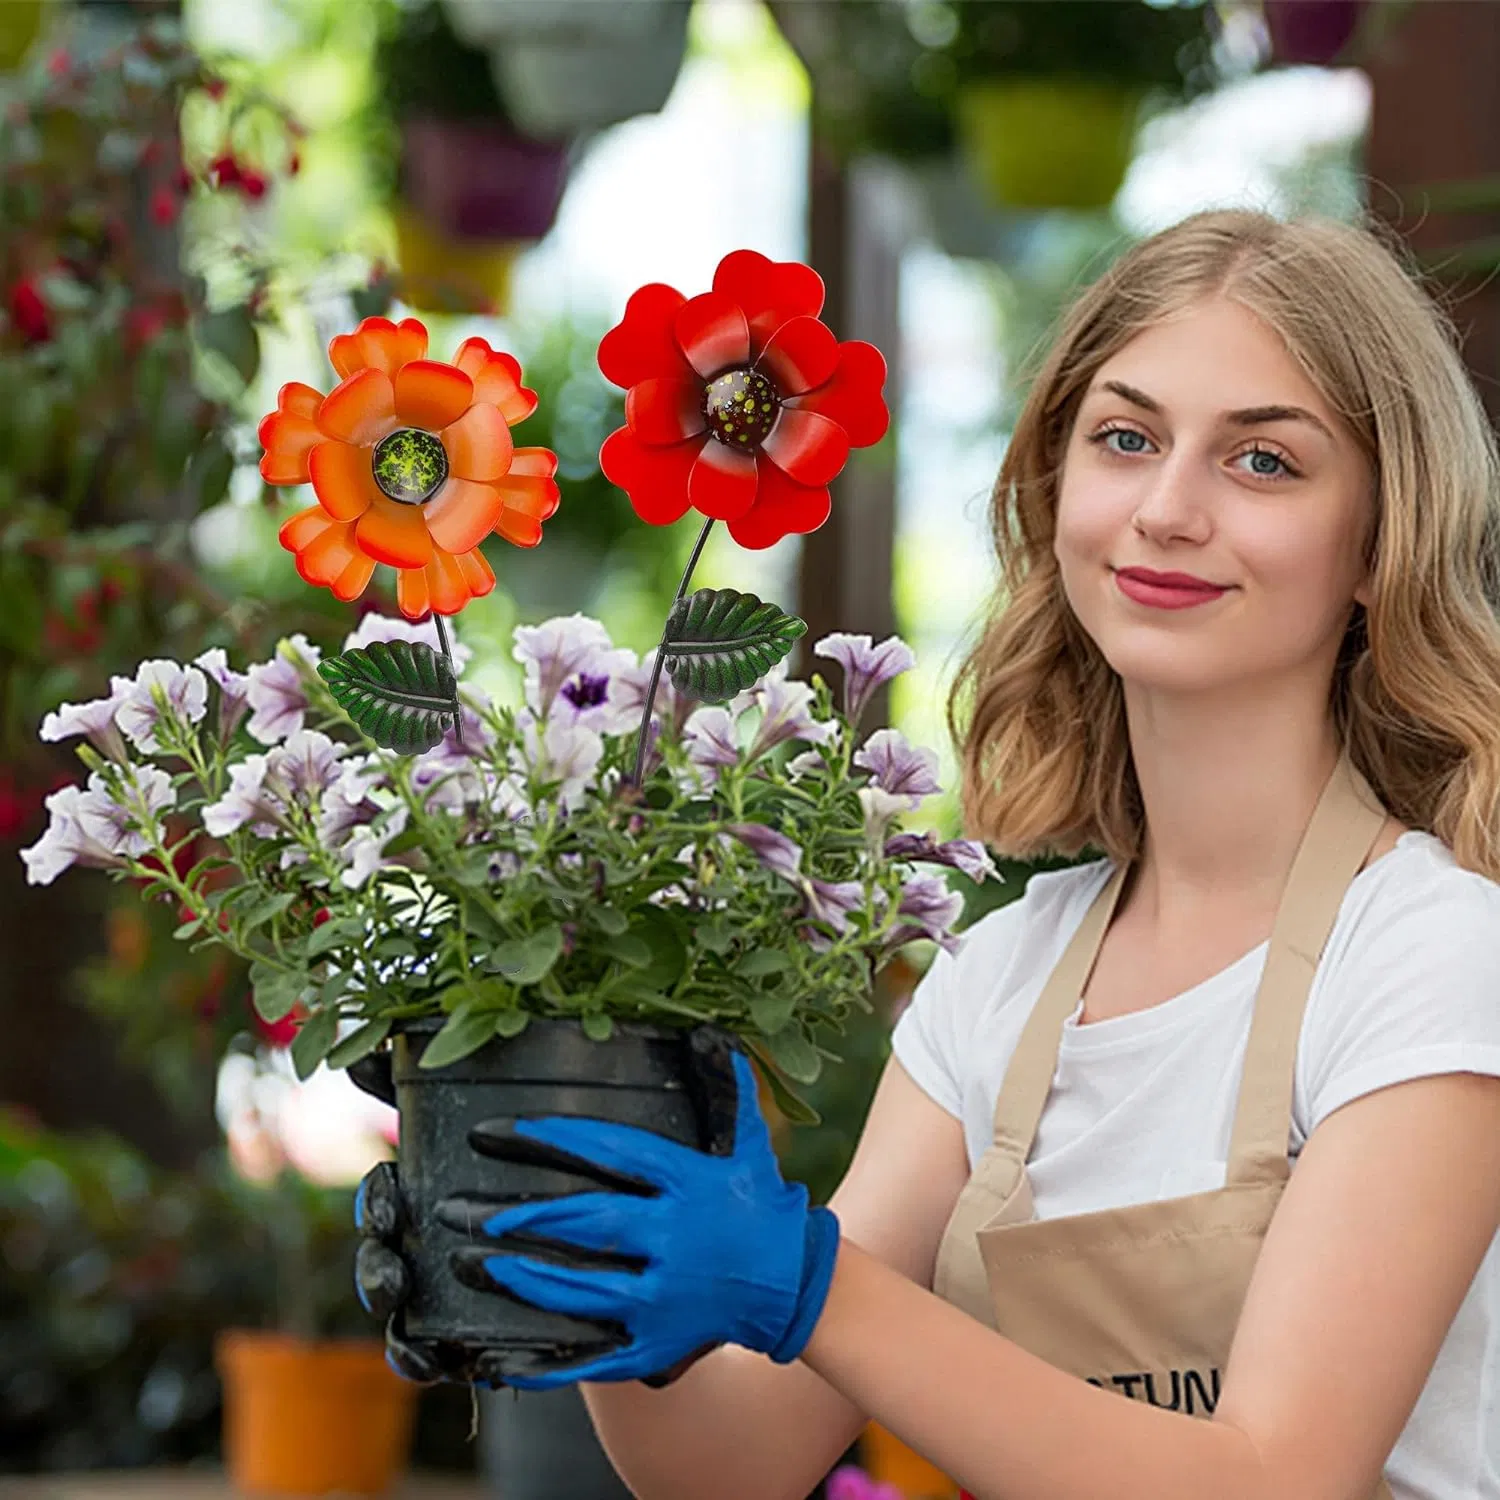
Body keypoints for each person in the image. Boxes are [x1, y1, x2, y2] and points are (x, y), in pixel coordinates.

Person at [358, 209, 1500, 1500]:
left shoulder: (1429, 950)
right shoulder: (1001, 980)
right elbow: (729, 1464)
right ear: (1059, 483)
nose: (1170, 510)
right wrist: (567, 1269)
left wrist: (809, 1286)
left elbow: (1273, 1479)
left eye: (1265, 463)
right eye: (1126, 439)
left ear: (1379, 540)